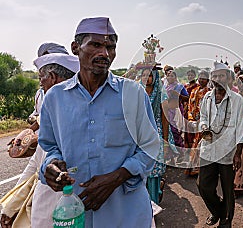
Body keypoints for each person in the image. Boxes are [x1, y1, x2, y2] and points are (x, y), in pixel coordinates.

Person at [38, 17, 160, 227]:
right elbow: (51, 147)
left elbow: (151, 147)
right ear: (75, 48)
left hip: (127, 213)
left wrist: (117, 177)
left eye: (110, 47)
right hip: (76, 214)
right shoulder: (55, 98)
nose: (104, 53)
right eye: (96, 45)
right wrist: (51, 165)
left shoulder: (133, 94)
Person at [1, 51, 79, 228]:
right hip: (45, 206)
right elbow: (35, 164)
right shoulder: (49, 114)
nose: (41, 86)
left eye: (41, 80)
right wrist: (12, 206)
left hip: (68, 207)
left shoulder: (83, 116)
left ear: (53, 78)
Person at [197, 62, 243, 228]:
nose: (218, 79)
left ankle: (226, 221)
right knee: (203, 185)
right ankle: (218, 211)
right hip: (208, 149)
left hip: (228, 151)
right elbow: (203, 117)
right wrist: (204, 127)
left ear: (229, 78)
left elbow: (241, 127)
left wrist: (238, 154)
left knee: (227, 189)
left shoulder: (237, 99)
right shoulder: (207, 97)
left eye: (221, 76)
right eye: (215, 76)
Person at [139, 67, 176, 204]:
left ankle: (153, 201)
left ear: (154, 77)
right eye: (143, 75)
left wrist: (165, 141)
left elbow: (165, 119)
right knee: (141, 169)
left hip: (157, 132)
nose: (146, 78)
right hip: (141, 134)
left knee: (154, 171)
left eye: (149, 76)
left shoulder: (161, 93)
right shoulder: (138, 91)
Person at [27, 43, 70, 129]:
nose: (40, 83)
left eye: (41, 77)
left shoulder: (74, 95)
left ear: (52, 76)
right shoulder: (40, 94)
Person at [184, 70, 210, 176]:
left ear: (208, 80)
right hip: (194, 121)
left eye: (204, 78)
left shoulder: (210, 93)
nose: (201, 80)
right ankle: (193, 167)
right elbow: (190, 105)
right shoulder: (194, 91)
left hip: (205, 122)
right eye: (200, 78)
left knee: (201, 144)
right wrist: (191, 119)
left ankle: (200, 168)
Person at [164, 70, 189, 149]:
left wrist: (178, 95)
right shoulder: (165, 87)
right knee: (168, 131)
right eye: (168, 75)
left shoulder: (179, 87)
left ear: (175, 77)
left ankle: (180, 151)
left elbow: (187, 98)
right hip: (167, 111)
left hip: (176, 111)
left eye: (172, 76)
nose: (170, 77)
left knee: (176, 131)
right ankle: (171, 153)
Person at [183, 69, 200, 150]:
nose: (190, 77)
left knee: (193, 131)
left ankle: (193, 149)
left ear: (195, 76)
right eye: (189, 75)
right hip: (186, 110)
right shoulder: (185, 86)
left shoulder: (197, 87)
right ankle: (187, 148)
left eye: (192, 75)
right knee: (186, 130)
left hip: (194, 111)